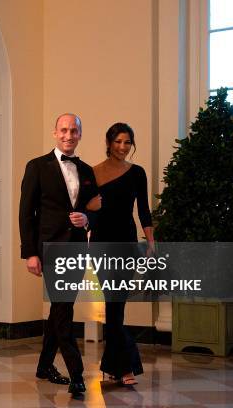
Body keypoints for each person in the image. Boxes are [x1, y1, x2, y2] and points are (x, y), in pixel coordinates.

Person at [19, 113, 100, 396]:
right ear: (55, 133)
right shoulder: (37, 166)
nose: (69, 135)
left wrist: (87, 218)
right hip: (50, 250)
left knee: (59, 308)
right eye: (64, 130)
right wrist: (30, 253)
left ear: (80, 134)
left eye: (74, 131)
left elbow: (96, 209)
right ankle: (77, 374)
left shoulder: (88, 170)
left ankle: (43, 366)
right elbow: (26, 214)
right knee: (64, 310)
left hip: (76, 249)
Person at [91, 122, 154, 386]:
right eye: (118, 141)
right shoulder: (92, 173)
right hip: (102, 244)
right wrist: (88, 206)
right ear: (108, 142)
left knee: (117, 306)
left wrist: (151, 241)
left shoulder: (137, 173)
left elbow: (144, 210)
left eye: (127, 142)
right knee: (112, 304)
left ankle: (112, 366)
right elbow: (84, 211)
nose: (122, 147)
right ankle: (125, 367)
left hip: (127, 243)